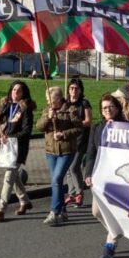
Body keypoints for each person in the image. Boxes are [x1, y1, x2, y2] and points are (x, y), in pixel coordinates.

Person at [84, 94, 125, 258]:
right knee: (96, 211)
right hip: (100, 175)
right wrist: (87, 173)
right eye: (104, 108)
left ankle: (111, 243)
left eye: (110, 107)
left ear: (117, 108)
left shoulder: (126, 127)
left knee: (114, 209)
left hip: (119, 176)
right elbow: (90, 153)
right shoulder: (96, 128)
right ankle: (116, 231)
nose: (107, 110)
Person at [36, 86, 83, 226]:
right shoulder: (47, 110)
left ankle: (54, 212)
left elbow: (79, 128)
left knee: (56, 179)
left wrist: (63, 134)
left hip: (67, 151)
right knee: (56, 181)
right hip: (51, 151)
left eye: (50, 100)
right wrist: (47, 118)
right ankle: (63, 211)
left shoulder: (70, 110)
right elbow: (39, 127)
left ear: (59, 98)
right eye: (47, 100)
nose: (48, 102)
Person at [0, 81, 37, 222]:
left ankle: (1, 208)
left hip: (18, 148)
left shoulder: (25, 109)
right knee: (14, 176)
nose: (15, 92)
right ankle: (25, 201)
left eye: (19, 91)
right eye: (13, 89)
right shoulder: (7, 106)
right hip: (6, 147)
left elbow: (26, 131)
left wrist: (10, 137)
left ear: (24, 93)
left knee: (9, 177)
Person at [63, 78, 92, 209]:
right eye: (71, 88)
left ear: (80, 91)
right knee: (68, 168)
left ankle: (80, 193)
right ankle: (72, 193)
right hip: (68, 138)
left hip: (81, 139)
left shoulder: (84, 103)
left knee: (74, 166)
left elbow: (88, 121)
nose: (73, 91)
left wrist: (76, 123)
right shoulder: (66, 103)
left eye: (76, 89)